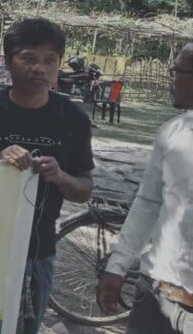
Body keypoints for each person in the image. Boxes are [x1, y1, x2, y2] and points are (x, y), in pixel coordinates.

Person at [0, 18, 94, 334]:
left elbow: (84, 189)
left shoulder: (73, 119)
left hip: (37, 254)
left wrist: (61, 177)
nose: (39, 68)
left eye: (49, 60)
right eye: (28, 58)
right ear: (9, 62)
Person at [96, 42, 193, 334]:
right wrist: (117, 266)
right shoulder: (173, 133)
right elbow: (148, 202)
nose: (171, 78)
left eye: (177, 71)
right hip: (157, 293)